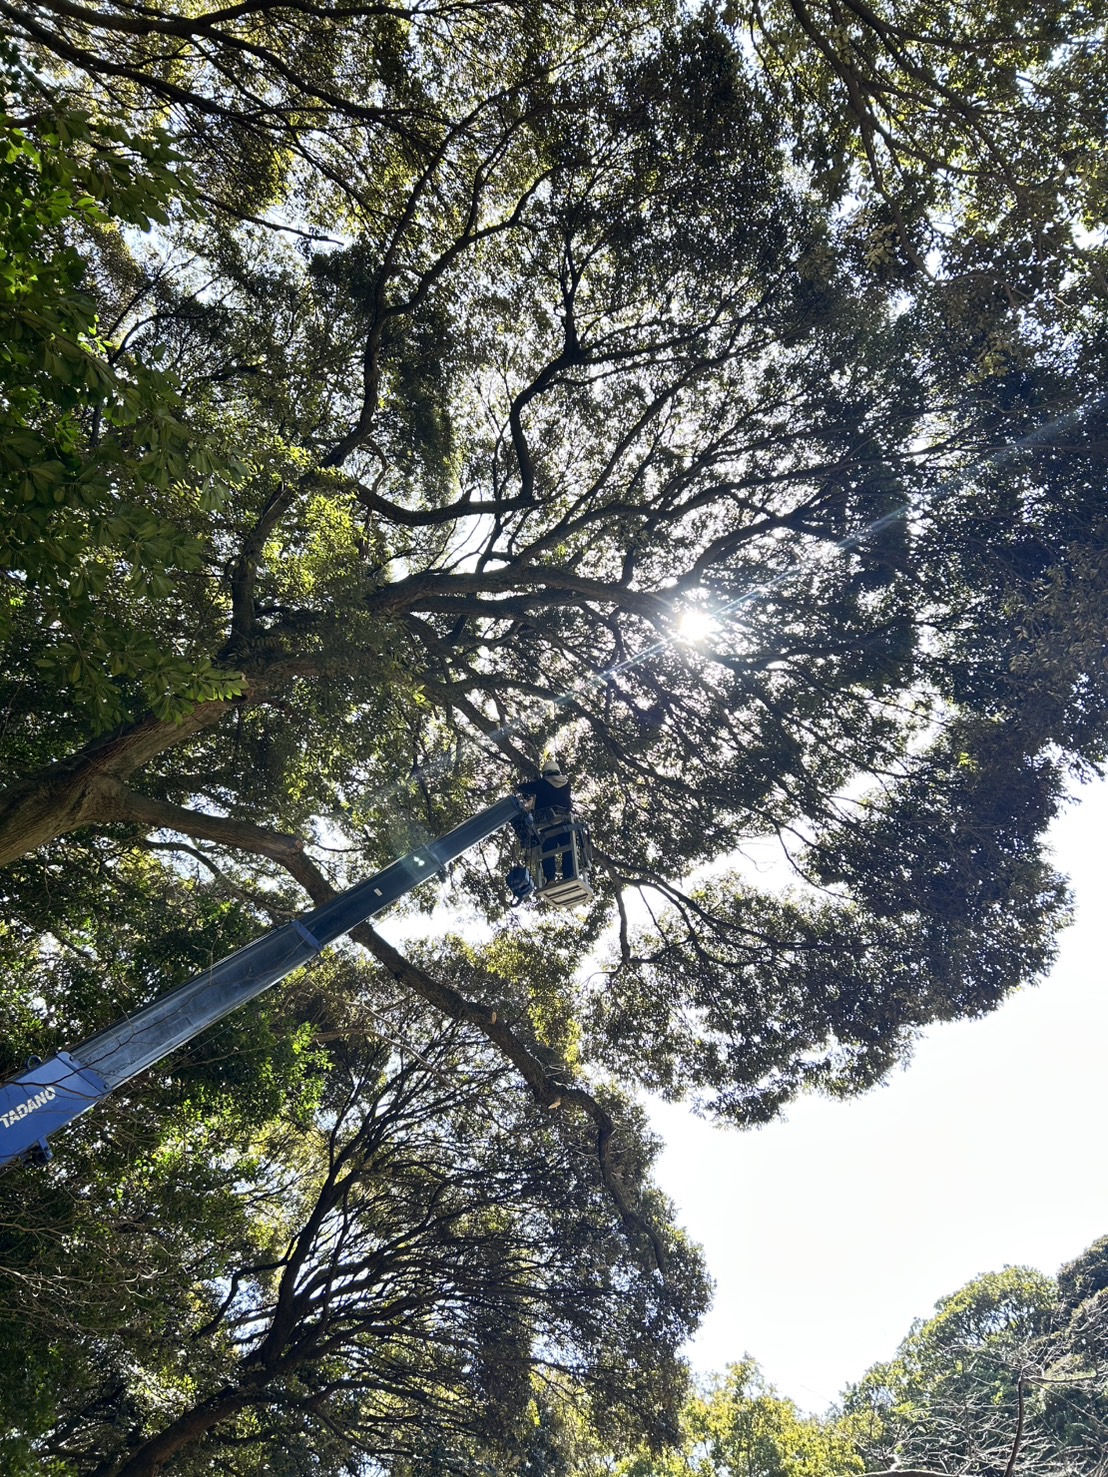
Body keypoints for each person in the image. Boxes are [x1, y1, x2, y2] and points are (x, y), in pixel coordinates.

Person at [517, 761, 575, 882]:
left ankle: (550, 879)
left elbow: (522, 788)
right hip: (565, 823)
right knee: (568, 850)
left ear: (545, 773)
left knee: (548, 851)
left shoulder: (542, 784)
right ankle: (569, 876)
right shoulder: (567, 784)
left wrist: (531, 791)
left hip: (547, 824)